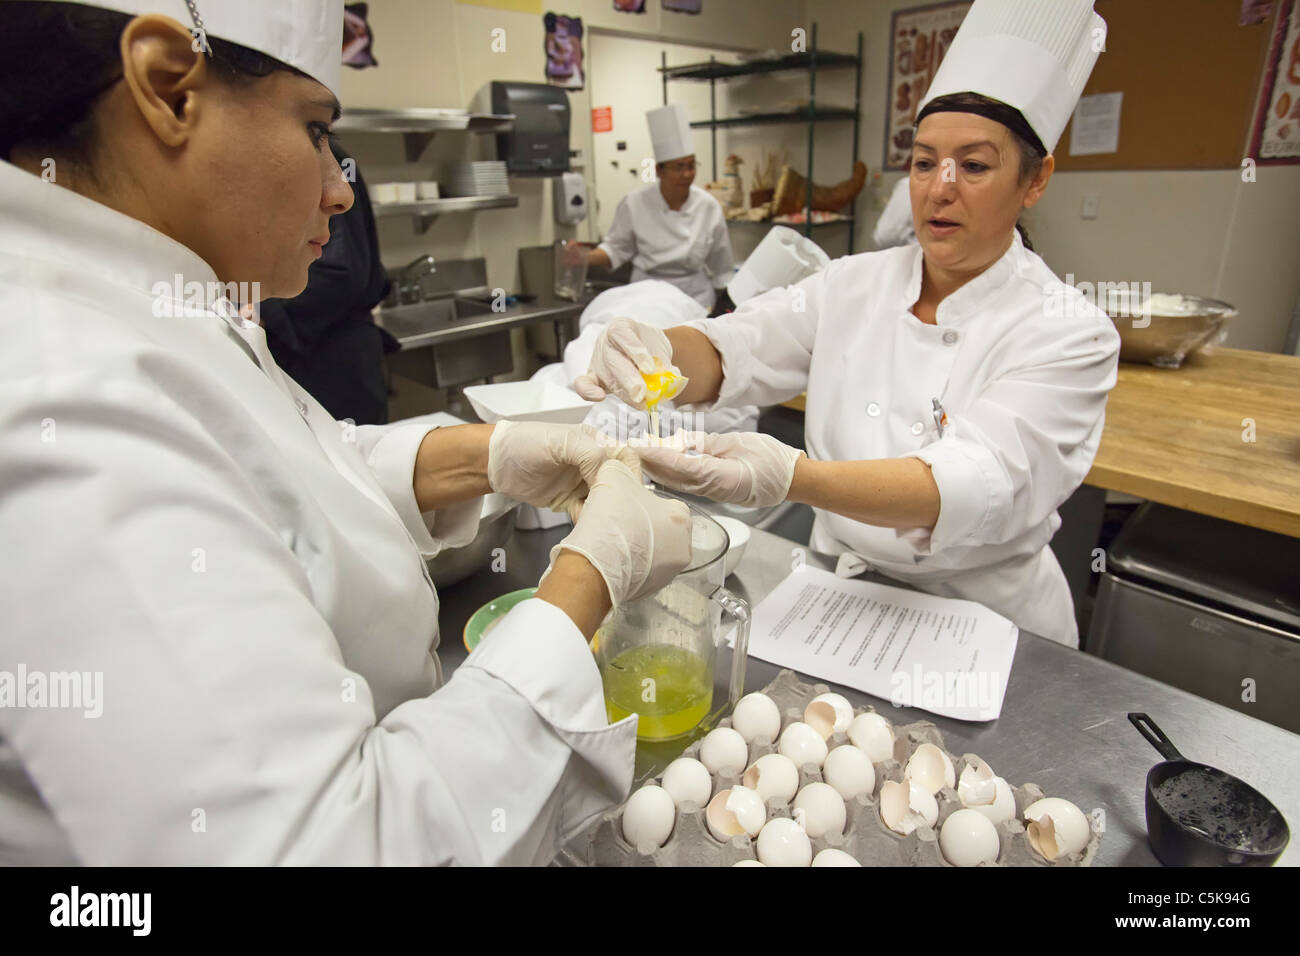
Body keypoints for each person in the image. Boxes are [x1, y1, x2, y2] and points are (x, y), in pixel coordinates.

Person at [0, 0, 691, 865]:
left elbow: (279, 472)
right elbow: (329, 844)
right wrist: (591, 576)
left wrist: (486, 455)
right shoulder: (59, 381)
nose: (339, 187)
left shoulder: (155, 300)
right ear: (169, 88)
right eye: (316, 129)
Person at [577, 0, 1121, 649]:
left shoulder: (1069, 330)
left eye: (974, 166)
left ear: (1036, 180)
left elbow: (972, 483)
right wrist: (654, 348)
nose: (940, 188)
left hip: (989, 623)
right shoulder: (853, 283)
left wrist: (791, 477)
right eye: (924, 162)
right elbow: (736, 348)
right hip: (841, 597)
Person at [259, 136, 398, 426]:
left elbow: (341, 272)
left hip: (334, 359)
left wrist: (265, 310)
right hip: (310, 352)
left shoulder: (321, 158)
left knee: (348, 448)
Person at [576, 103, 735, 312]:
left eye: (691, 165)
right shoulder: (634, 203)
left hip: (695, 299)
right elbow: (616, 248)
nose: (687, 174)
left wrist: (726, 306)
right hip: (646, 298)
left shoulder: (708, 206)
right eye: (679, 167)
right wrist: (583, 258)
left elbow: (722, 266)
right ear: (659, 170)